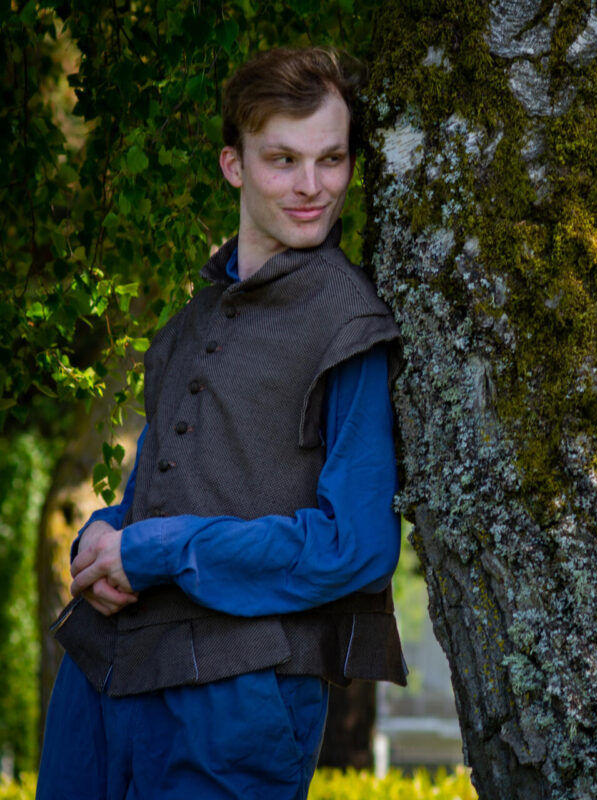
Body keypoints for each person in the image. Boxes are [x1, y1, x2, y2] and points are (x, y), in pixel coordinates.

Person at [38, 47, 407, 799]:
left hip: (238, 692)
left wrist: (162, 549)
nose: (312, 188)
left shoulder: (352, 324)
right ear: (233, 166)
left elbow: (358, 546)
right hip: (101, 677)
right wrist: (100, 538)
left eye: (331, 160)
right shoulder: (186, 323)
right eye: (283, 160)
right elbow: (148, 496)